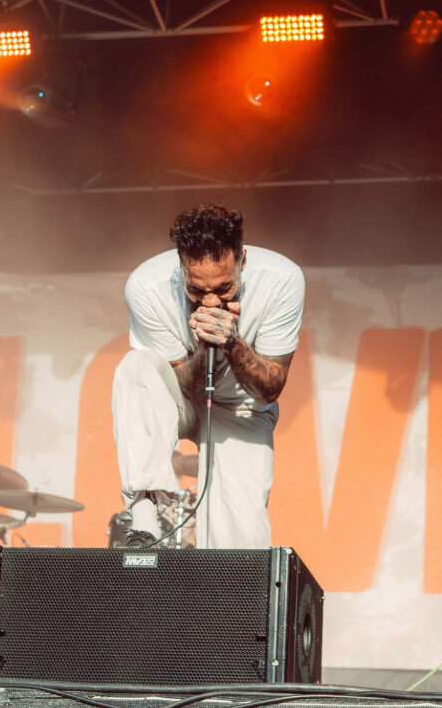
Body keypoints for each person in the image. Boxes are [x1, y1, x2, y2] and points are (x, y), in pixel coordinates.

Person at [111, 203, 304, 549]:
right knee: (135, 368)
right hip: (180, 394)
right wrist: (202, 348)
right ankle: (144, 523)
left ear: (242, 261)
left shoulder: (283, 281)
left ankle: (227, 599)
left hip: (241, 407)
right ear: (182, 268)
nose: (211, 301)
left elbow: (270, 388)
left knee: (240, 541)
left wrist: (232, 343)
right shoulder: (146, 287)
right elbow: (187, 385)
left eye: (225, 288)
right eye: (197, 291)